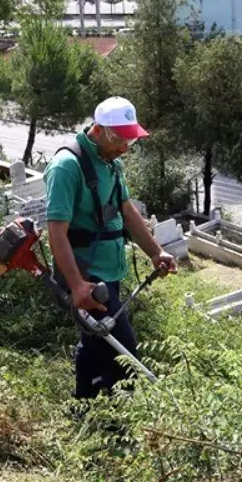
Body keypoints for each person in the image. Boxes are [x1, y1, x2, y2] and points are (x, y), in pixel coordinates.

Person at [44, 96, 177, 399]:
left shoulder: (111, 163)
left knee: (94, 342)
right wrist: (77, 285)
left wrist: (157, 252)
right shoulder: (67, 167)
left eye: (131, 139)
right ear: (100, 130)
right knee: (124, 353)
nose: (126, 147)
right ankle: (119, 422)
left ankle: (84, 404)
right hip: (85, 276)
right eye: (120, 139)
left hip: (109, 271)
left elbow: (127, 211)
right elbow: (56, 233)